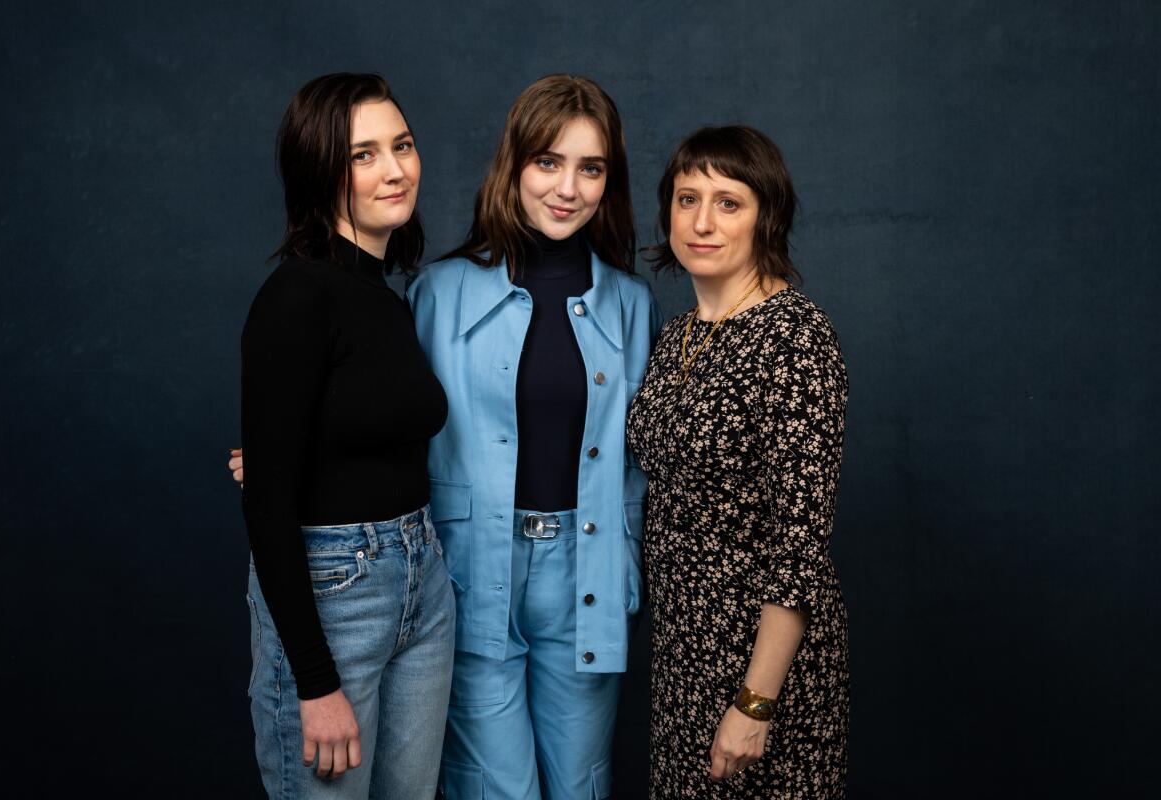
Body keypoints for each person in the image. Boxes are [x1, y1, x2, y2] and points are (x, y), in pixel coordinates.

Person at [407, 74, 659, 800]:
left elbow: (642, 462)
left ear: (609, 181)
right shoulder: (438, 291)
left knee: (580, 786)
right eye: (548, 161)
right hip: (468, 567)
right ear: (513, 164)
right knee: (495, 788)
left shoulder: (633, 304)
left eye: (591, 167)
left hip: (588, 572)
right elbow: (389, 415)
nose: (568, 187)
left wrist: (628, 562)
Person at [239, 72, 454, 799]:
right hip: (337, 596)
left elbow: (355, 432)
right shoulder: (297, 295)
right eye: (363, 154)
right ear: (318, 169)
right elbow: (269, 507)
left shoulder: (384, 295)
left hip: (421, 580)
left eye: (402, 144)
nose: (395, 169)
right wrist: (314, 677)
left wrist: (284, 457)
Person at [626, 126, 850, 799]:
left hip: (762, 668)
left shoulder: (794, 337)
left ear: (766, 216)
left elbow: (799, 545)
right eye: (687, 198)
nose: (701, 221)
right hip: (684, 657)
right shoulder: (677, 338)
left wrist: (756, 703)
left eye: (729, 202)